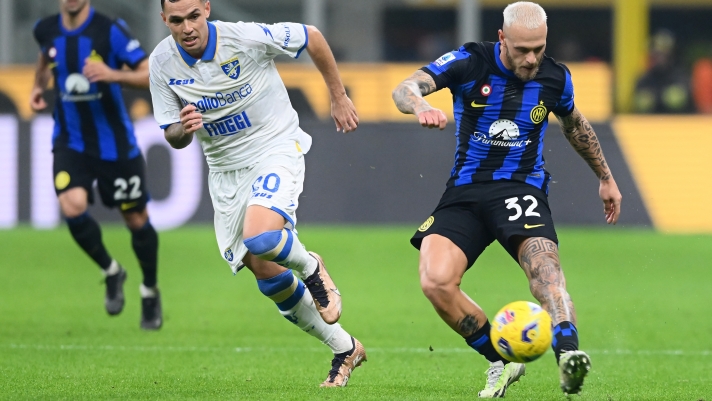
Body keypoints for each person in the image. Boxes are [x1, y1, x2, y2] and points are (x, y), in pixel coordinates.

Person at [392, 1, 622, 397]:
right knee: (436, 281)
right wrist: (421, 105)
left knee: (545, 273)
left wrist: (606, 177)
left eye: (539, 48)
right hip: (465, 191)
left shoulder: (555, 77)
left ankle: (568, 356)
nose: (532, 58)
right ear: (502, 38)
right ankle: (500, 360)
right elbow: (405, 87)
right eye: (522, 50)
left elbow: (575, 125)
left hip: (521, 188)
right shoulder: (469, 61)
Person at [149, 0, 365, 387]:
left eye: (194, 17)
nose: (187, 28)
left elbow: (311, 37)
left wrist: (338, 95)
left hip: (274, 148)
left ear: (207, 10)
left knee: (262, 236)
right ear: (164, 19)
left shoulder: (245, 37)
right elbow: (172, 135)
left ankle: (312, 266)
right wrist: (183, 128)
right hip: (225, 173)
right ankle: (344, 347)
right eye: (177, 20)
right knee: (266, 272)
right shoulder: (162, 63)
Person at [30, 0, 162, 330]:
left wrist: (111, 74)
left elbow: (149, 74)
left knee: (136, 219)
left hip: (115, 147)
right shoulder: (45, 29)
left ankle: (149, 289)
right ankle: (111, 270)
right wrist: (37, 86)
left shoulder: (110, 31)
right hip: (70, 142)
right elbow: (46, 57)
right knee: (71, 205)